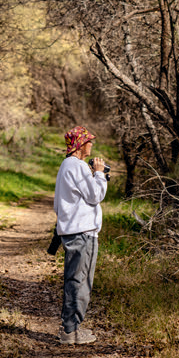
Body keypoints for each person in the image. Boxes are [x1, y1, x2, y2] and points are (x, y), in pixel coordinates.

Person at [54, 125, 108, 345]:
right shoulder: (76, 166)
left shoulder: (67, 166)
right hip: (83, 233)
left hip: (74, 231)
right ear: (80, 145)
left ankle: (72, 329)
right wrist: (100, 174)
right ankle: (70, 331)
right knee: (80, 282)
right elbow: (95, 195)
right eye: (89, 141)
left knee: (76, 280)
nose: (92, 145)